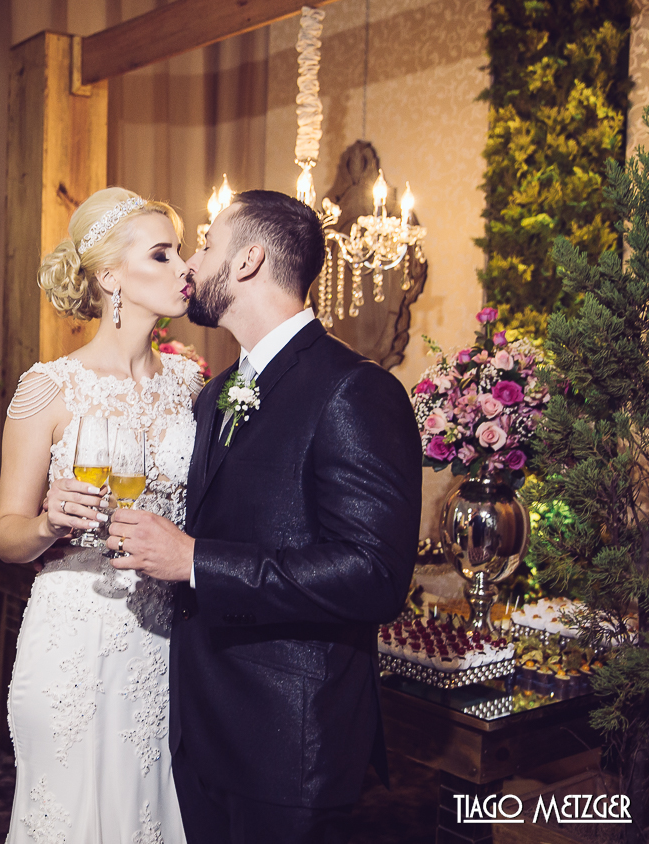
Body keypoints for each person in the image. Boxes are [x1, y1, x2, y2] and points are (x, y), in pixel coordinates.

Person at [106, 190, 422, 844]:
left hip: (289, 745)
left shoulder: (354, 389)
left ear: (248, 260)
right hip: (202, 729)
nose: (191, 263)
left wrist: (196, 560)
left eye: (205, 245)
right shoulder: (217, 393)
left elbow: (374, 574)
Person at [0, 187, 200, 843]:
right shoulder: (48, 388)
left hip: (166, 637)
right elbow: (5, 535)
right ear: (110, 276)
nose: (185, 268)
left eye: (182, 252)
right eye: (162, 255)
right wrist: (47, 524)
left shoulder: (192, 384)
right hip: (75, 639)